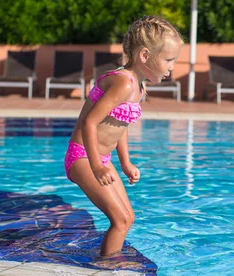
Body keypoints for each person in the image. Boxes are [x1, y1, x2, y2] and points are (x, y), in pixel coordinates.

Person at [64, 15, 183, 258]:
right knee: (119, 220)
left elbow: (121, 126)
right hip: (83, 156)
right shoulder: (123, 83)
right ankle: (107, 267)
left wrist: (125, 163)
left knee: (128, 218)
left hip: (101, 158)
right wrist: (97, 166)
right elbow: (90, 122)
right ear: (145, 56)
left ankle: (110, 259)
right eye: (169, 59)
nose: (172, 66)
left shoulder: (139, 87)